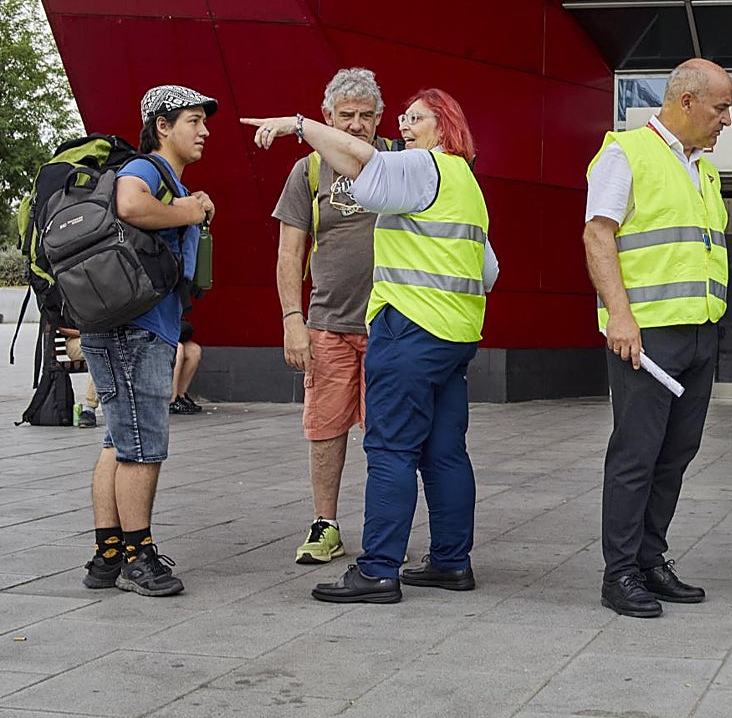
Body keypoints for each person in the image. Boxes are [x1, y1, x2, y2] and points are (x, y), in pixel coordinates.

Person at [242, 87, 499, 605]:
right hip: (455, 338)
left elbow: (361, 161)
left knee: (390, 449)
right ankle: (452, 562)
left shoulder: (422, 166)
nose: (405, 126)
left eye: (417, 118)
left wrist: (298, 125)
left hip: (409, 332)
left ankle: (378, 570)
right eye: (403, 118)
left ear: (444, 126)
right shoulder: (464, 181)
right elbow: (489, 271)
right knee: (445, 452)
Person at [583, 58, 732, 618]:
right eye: (721, 108)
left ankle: (649, 560)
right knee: (637, 454)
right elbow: (597, 235)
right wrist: (620, 317)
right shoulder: (626, 152)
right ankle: (620, 573)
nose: (726, 120)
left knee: (676, 454)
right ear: (686, 101)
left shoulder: (704, 169)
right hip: (646, 337)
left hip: (698, 332)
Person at [81, 85, 217, 597]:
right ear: (162, 126)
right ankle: (138, 557)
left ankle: (107, 556)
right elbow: (130, 204)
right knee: (142, 446)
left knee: (118, 441)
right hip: (137, 329)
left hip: (118, 324)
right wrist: (190, 212)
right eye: (193, 121)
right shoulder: (146, 169)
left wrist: (190, 206)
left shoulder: (166, 179)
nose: (204, 131)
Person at [271, 68, 396, 565]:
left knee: (390, 433)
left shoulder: (397, 162)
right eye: (346, 115)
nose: (356, 125)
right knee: (325, 429)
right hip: (328, 325)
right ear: (326, 117)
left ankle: (386, 530)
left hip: (392, 324)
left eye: (366, 115)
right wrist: (292, 319)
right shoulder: (308, 171)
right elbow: (289, 253)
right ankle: (325, 525)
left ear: (380, 118)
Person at [59, 327, 100, 427]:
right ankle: (90, 408)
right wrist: (90, 333)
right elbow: (62, 328)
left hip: (105, 338)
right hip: (77, 340)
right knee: (97, 350)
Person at [169, 318, 203, 414]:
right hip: (152, 337)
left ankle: (181, 395)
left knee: (194, 350)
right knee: (178, 349)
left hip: (171, 334)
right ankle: (171, 400)